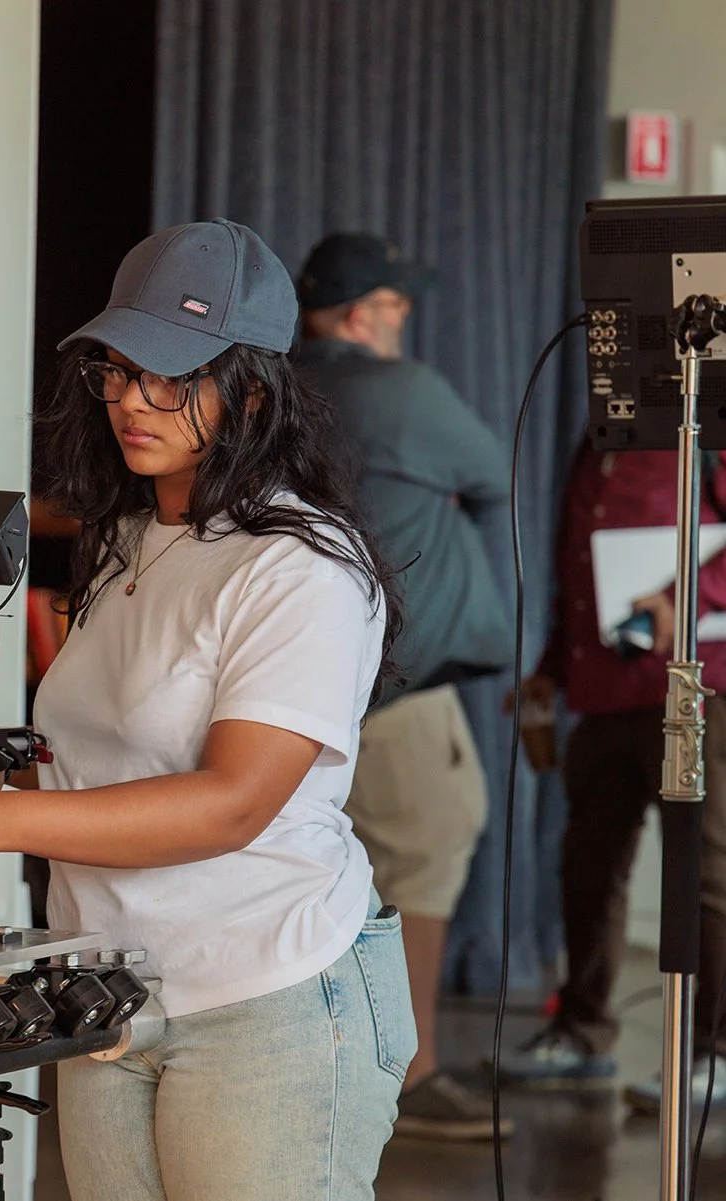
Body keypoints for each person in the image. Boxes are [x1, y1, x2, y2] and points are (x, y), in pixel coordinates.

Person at [0, 220, 414, 1200]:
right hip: (111, 996)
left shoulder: (299, 564)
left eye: (168, 375)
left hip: (270, 999)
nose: (131, 398)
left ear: (252, 387)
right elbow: (100, 761)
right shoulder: (128, 539)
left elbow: (231, 803)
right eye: (118, 370)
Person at [293, 232, 512, 1140]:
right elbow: (492, 472)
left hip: (303, 683)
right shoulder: (404, 392)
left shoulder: (282, 392)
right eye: (396, 304)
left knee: (331, 870)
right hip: (403, 683)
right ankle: (409, 1074)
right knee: (428, 845)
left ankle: (338, 1057)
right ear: (359, 314)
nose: (405, 319)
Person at [500, 443, 726, 1114]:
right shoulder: (595, 442)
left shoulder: (706, 423)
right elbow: (581, 572)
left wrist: (680, 598)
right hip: (600, 696)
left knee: (705, 872)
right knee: (589, 868)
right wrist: (551, 667)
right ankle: (583, 1032)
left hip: (694, 689)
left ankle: (717, 1053)